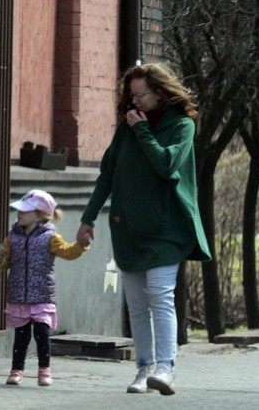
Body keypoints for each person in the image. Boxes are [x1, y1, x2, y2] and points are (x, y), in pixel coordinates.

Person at [75, 63, 211, 395]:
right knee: (136, 303)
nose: (135, 101)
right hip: (128, 228)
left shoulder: (181, 126)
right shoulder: (126, 129)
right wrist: (87, 218)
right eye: (131, 95)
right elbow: (107, 175)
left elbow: (166, 166)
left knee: (160, 297)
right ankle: (143, 369)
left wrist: (142, 132)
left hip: (166, 229)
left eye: (142, 94)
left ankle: (166, 369)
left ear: (161, 93)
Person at [0, 189, 89, 387]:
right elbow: (5, 263)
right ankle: (16, 370)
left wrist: (80, 245)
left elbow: (68, 252)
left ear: (39, 215)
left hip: (42, 294)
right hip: (18, 295)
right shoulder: (11, 237)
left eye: (25, 211)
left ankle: (44, 370)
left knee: (42, 334)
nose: (19, 214)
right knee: (21, 336)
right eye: (19, 210)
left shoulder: (50, 237)